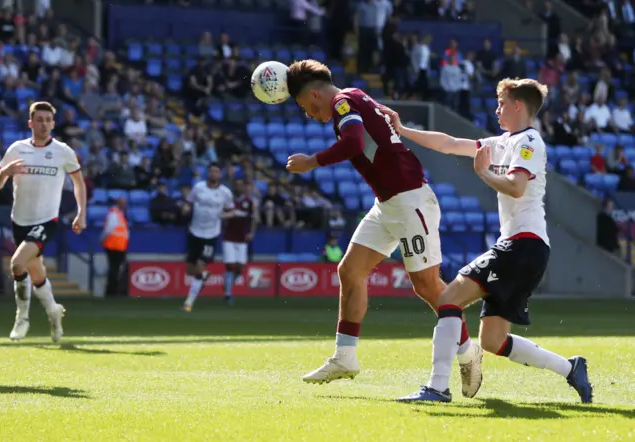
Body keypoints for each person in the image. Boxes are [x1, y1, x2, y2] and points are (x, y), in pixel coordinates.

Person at [283, 59, 482, 397]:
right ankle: (345, 357)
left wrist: (311, 161)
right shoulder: (355, 95)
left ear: (315, 94)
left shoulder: (342, 103)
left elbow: (354, 144)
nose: (308, 114)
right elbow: (383, 116)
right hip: (388, 204)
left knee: (428, 286)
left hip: (410, 201)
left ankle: (467, 352)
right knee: (350, 270)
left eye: (305, 106)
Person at [390, 78, 593, 404]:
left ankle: (437, 388)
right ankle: (570, 368)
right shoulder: (502, 142)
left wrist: (483, 174)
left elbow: (516, 187)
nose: (496, 110)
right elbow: (450, 143)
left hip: (522, 244)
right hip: (525, 248)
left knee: (448, 299)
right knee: (493, 340)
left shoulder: (529, 142)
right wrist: (403, 130)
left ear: (517, 106)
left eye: (501, 104)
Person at [0, 101, 87, 342]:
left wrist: (81, 212)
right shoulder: (16, 149)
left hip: (47, 220)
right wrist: (5, 173)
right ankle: (54, 312)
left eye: (48, 120)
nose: (44, 124)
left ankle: (21, 318)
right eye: (39, 120)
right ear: (30, 123)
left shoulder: (63, 151)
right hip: (20, 220)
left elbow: (78, 182)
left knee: (17, 264)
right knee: (36, 273)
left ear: (53, 123)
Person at [182, 163, 233, 312]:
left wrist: (225, 215)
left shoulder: (225, 192)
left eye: (216, 171)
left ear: (220, 175)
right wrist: (186, 209)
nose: (213, 174)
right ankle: (203, 276)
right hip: (195, 231)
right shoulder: (198, 188)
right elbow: (188, 203)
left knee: (200, 265)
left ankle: (188, 302)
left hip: (211, 234)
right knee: (190, 270)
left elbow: (231, 210)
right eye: (211, 171)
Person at [221, 178, 256, 304]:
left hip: (241, 238)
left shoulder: (249, 202)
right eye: (236, 185)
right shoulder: (228, 201)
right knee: (230, 264)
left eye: (241, 185)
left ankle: (228, 284)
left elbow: (253, 218)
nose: (238, 187)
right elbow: (222, 214)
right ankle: (228, 293)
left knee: (240, 267)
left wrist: (251, 232)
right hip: (229, 237)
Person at [101, 196, 129, 296]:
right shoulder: (114, 214)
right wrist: (102, 239)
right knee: (114, 269)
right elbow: (109, 229)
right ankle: (111, 291)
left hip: (119, 246)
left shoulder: (119, 214)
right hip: (113, 246)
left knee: (116, 269)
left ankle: (114, 290)